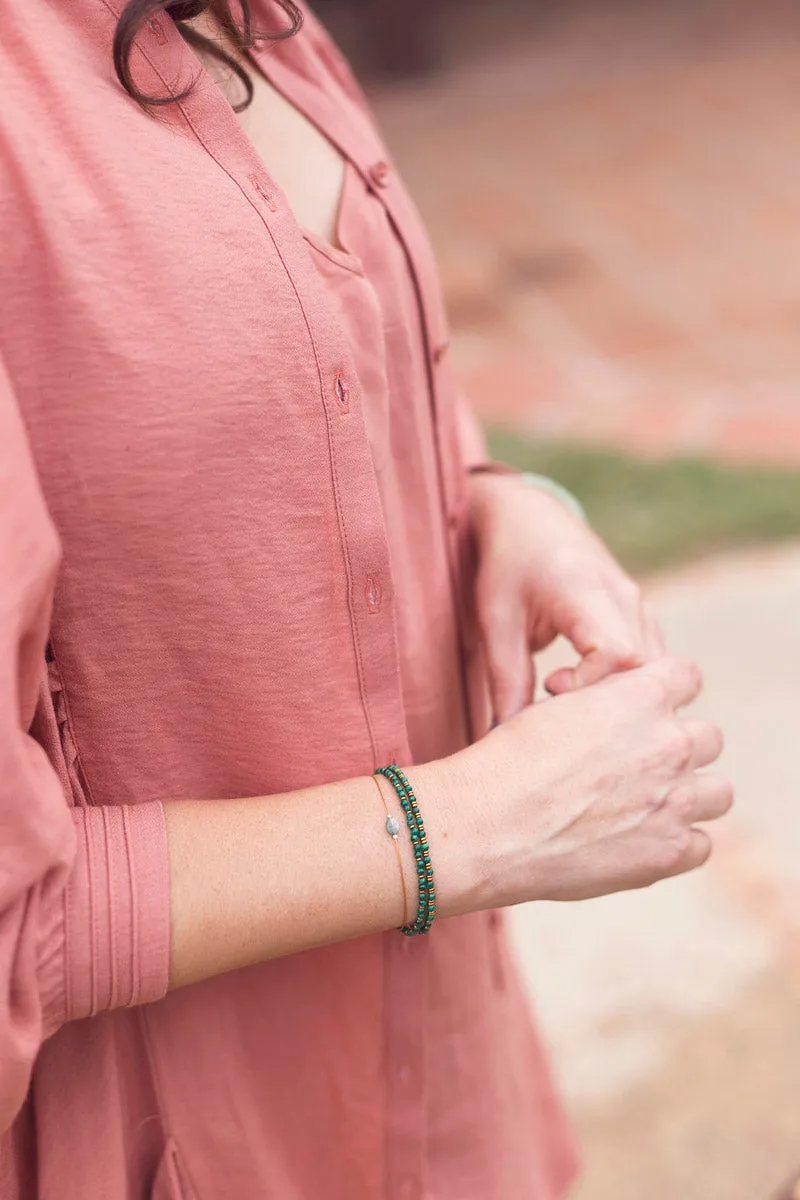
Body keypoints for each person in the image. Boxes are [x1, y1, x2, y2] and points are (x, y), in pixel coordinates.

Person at [0, 2, 731, 1197]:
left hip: (444, 1085)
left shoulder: (253, 16)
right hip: (193, 1144)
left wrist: (495, 491)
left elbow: (308, 341)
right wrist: (467, 829)